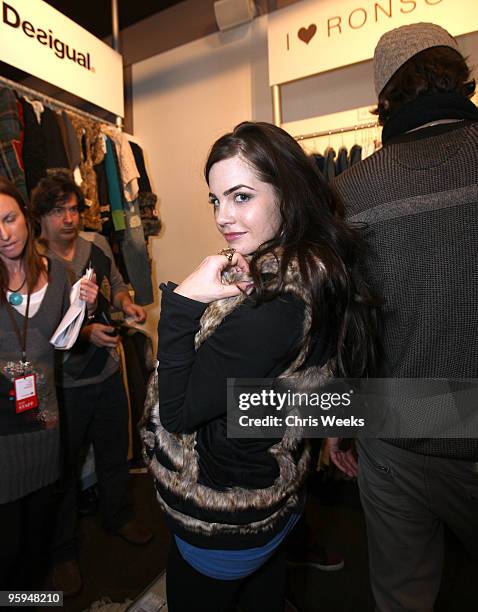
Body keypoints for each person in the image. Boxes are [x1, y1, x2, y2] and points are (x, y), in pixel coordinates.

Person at [141, 121, 379, 612]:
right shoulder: (320, 264)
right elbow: (291, 390)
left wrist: (183, 305)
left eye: (241, 196)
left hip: (223, 522)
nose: (223, 217)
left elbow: (179, 413)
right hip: (274, 500)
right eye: (215, 200)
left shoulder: (278, 302)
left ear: (288, 194)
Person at [330, 22, 478, 612]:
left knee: (402, 595)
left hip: (396, 435)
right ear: (461, 78)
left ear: (384, 99)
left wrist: (339, 420)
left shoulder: (350, 190)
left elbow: (347, 324)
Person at [31, 172, 153, 597]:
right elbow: (40, 328)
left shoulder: (96, 244)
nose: (68, 218)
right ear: (40, 218)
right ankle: (63, 551)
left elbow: (114, 284)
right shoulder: (35, 264)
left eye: (72, 209)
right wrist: (85, 335)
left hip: (104, 371)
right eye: (57, 210)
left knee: (113, 449)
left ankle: (118, 516)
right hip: (65, 383)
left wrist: (124, 303)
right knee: (63, 467)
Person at [0, 177, 97, 590]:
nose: (4, 235)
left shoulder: (59, 274)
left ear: (27, 218)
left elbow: (65, 342)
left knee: (38, 544)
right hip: (1, 439)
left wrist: (86, 311)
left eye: (9, 219)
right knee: (6, 549)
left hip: (45, 427)